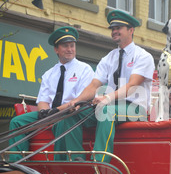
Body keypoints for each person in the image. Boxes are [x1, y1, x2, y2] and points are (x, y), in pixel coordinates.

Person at [54, 9, 155, 162]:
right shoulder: (109, 58)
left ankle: (99, 161)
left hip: (135, 109)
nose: (114, 31)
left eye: (118, 28)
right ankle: (75, 161)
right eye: (113, 29)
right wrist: (76, 102)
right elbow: (94, 85)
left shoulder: (143, 56)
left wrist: (107, 98)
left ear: (131, 30)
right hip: (110, 105)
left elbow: (132, 86)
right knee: (72, 113)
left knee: (106, 110)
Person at [8, 26, 94, 161]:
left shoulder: (85, 69)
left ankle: (64, 161)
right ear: (56, 49)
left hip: (72, 112)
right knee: (17, 121)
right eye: (65, 46)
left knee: (64, 118)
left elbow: (79, 100)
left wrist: (54, 112)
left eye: (72, 46)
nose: (70, 49)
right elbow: (43, 100)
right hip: (51, 113)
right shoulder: (49, 74)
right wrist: (43, 112)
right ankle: (16, 162)